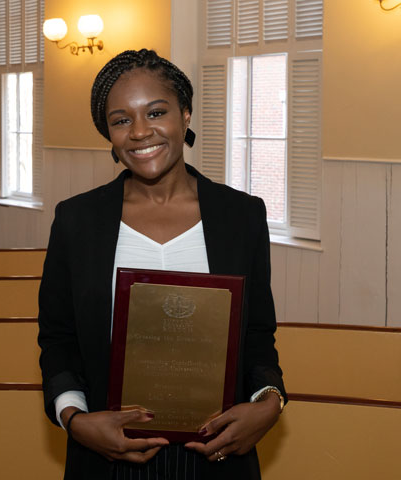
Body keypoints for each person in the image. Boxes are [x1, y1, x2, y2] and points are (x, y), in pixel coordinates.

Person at [37, 48, 286, 480]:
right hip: (107, 458)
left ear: (185, 114)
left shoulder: (242, 215)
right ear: (109, 134)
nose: (139, 132)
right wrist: (74, 419)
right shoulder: (76, 220)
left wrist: (270, 400)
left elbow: (258, 333)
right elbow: (58, 338)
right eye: (120, 120)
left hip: (217, 456)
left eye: (156, 112)